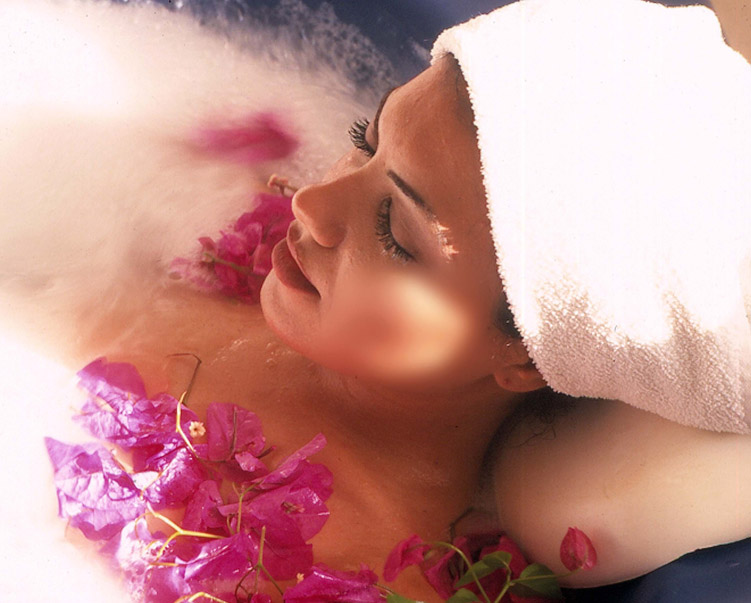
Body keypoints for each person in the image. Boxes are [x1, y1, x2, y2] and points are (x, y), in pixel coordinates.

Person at [9, 0, 751, 601]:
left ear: (524, 356)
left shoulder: (367, 581)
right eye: (364, 141)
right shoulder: (190, 220)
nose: (311, 201)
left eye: (396, 233)